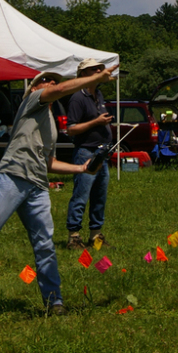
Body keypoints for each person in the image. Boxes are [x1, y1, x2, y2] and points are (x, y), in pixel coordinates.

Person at [0, 65, 116, 315]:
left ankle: (55, 302)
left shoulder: (50, 122)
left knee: (45, 246)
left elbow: (48, 162)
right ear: (33, 87)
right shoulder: (32, 101)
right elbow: (62, 89)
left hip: (38, 186)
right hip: (14, 177)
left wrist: (81, 169)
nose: (51, 83)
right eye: (45, 80)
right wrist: (96, 77)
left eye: (53, 80)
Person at [64, 58, 113, 249]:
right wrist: (96, 123)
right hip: (85, 152)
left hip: (101, 152)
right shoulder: (78, 97)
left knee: (99, 195)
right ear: (83, 74)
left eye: (100, 69)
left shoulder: (98, 94)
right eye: (94, 69)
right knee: (81, 195)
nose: (99, 72)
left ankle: (95, 235)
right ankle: (74, 236)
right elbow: (71, 129)